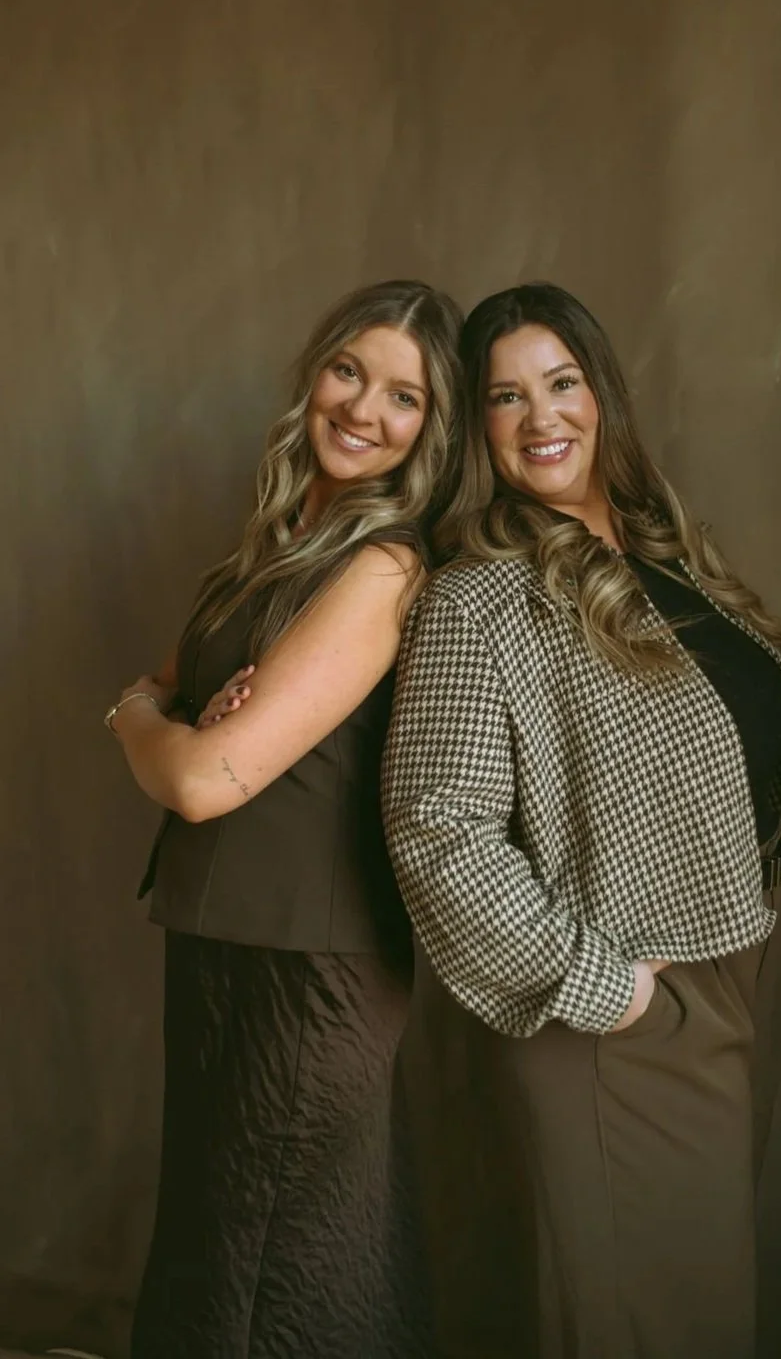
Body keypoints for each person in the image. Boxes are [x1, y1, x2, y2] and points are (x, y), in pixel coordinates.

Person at [381, 282, 781, 1359]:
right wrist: (607, 987)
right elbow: (434, 827)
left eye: (561, 381)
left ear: (602, 395)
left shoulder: (661, 552)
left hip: (739, 958)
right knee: (642, 1324)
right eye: (506, 396)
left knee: (700, 1309)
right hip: (618, 1007)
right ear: (478, 427)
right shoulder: (478, 600)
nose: (541, 417)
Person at [105, 280, 462, 1359]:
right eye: (348, 369)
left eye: (404, 396)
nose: (362, 408)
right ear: (314, 371)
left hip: (314, 969)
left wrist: (140, 725)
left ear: (431, 431)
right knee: (221, 1250)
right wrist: (148, 713)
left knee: (293, 1267)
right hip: (224, 943)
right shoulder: (281, 538)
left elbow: (202, 777)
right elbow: (157, 690)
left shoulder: (384, 563)